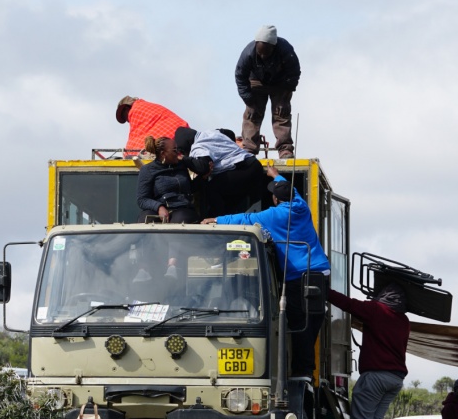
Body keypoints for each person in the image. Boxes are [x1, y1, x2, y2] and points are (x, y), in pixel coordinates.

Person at [203, 167, 330, 378]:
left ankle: (301, 375)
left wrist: (215, 220)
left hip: (297, 277)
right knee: (310, 327)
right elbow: (291, 191)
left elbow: (243, 219)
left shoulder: (273, 215)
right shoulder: (301, 206)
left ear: (275, 199)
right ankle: (304, 372)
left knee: (298, 327)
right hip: (320, 273)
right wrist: (276, 174)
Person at [328, 283, 410, 419]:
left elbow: (348, 304)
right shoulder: (404, 320)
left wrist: (324, 291)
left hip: (376, 376)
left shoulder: (376, 311)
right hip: (396, 379)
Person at [235, 25, 301, 159]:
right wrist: (249, 100)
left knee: (281, 114)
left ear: (274, 46)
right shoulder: (248, 53)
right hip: (256, 81)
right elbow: (240, 77)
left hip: (280, 83)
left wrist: (284, 98)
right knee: (252, 115)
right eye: (260, 53)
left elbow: (294, 74)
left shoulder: (286, 50)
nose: (263, 56)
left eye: (266, 53)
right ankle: (249, 150)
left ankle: (285, 150)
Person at [174, 125, 268, 217]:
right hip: (253, 166)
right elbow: (229, 133)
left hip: (243, 169)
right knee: (229, 203)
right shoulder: (209, 133)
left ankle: (215, 220)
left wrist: (184, 159)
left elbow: (203, 167)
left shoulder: (198, 147)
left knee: (211, 188)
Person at [136, 135, 198, 223]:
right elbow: (142, 199)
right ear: (163, 153)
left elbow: (191, 188)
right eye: (174, 150)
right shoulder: (147, 169)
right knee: (146, 220)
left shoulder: (182, 165)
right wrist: (159, 207)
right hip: (158, 208)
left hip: (182, 208)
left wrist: (203, 177)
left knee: (181, 221)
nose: (178, 153)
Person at [116, 96, 189, 157]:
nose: (127, 120)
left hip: (171, 141)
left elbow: (136, 136)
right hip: (183, 133)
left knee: (132, 151)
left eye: (124, 116)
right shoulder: (149, 106)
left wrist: (127, 154)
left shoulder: (135, 110)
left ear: (126, 108)